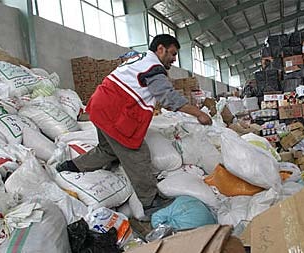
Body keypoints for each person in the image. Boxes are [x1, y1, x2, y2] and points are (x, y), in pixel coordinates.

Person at [56, 34, 212, 215]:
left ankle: (69, 167)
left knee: (107, 150)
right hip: (113, 111)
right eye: (172, 53)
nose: (174, 59)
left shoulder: (139, 58)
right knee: (137, 154)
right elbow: (167, 97)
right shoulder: (154, 67)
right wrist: (199, 113)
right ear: (160, 49)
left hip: (100, 106)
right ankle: (150, 202)